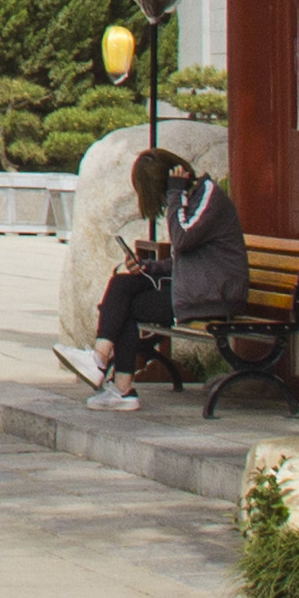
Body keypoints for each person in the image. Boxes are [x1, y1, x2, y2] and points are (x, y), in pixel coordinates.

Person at [55, 147, 243, 410]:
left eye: (161, 196)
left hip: (215, 295)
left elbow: (182, 238)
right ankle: (103, 364)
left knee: (127, 307)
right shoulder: (188, 199)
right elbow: (184, 260)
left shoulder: (208, 195)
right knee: (123, 284)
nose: (165, 203)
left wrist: (175, 193)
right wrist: (147, 266)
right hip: (195, 287)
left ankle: (115, 380)